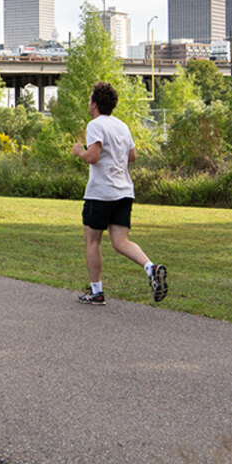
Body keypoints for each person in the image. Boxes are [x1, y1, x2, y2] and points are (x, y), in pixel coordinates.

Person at [71, 81, 167, 305]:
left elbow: (93, 156)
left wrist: (79, 152)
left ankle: (97, 291)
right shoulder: (122, 126)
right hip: (124, 191)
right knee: (121, 241)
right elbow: (132, 156)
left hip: (101, 193)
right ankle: (150, 268)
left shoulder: (95, 125)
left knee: (92, 241)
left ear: (94, 104)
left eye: (89, 99)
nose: (88, 103)